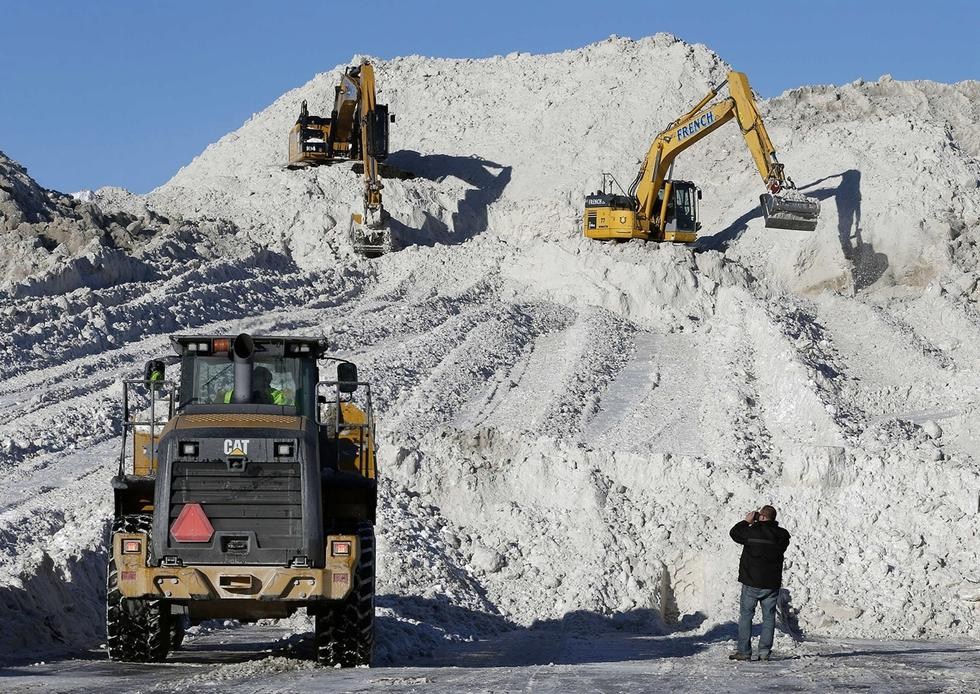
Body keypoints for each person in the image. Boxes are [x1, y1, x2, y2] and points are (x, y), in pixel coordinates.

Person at [729, 505, 791, 661]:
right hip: (771, 584)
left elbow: (734, 533)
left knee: (746, 616)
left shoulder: (751, 532)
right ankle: (764, 652)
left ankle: (744, 652)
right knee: (769, 618)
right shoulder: (782, 535)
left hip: (751, 582)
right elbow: (779, 539)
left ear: (762, 517)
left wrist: (746, 521)